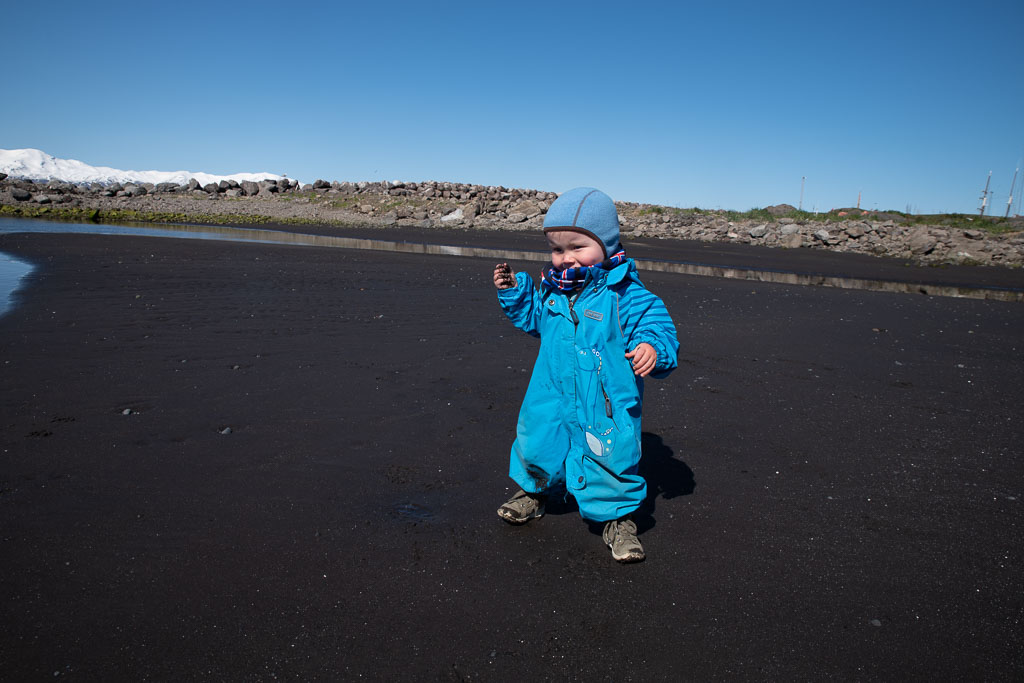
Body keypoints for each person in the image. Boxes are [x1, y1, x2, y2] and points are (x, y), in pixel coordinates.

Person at [492, 187, 679, 563]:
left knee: (612, 457)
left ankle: (618, 520)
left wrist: (652, 350)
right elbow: (535, 321)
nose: (565, 258)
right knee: (538, 442)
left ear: (607, 245)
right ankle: (535, 491)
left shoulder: (625, 295)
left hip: (604, 402)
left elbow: (656, 327)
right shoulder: (552, 291)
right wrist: (516, 293)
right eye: (557, 249)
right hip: (552, 391)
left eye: (577, 247)